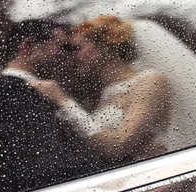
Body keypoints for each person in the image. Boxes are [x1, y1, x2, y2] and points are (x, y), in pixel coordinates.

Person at [0, 19, 96, 192]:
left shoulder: (24, 90)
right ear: (29, 45)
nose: (67, 55)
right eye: (61, 46)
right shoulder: (12, 95)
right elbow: (39, 169)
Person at [31, 15, 172, 162]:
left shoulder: (150, 81)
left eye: (77, 48)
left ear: (103, 46)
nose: (73, 57)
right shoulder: (105, 94)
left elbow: (119, 145)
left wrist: (63, 100)